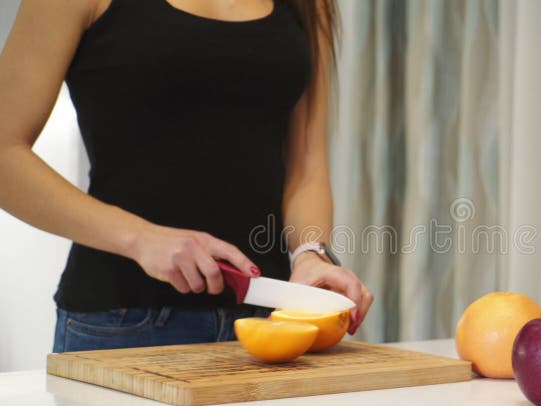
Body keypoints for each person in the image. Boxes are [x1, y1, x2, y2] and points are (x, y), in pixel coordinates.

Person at [0, 0, 373, 352]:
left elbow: (306, 165)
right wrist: (141, 239)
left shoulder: (312, 4)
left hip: (268, 321)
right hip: (122, 322)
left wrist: (311, 254)